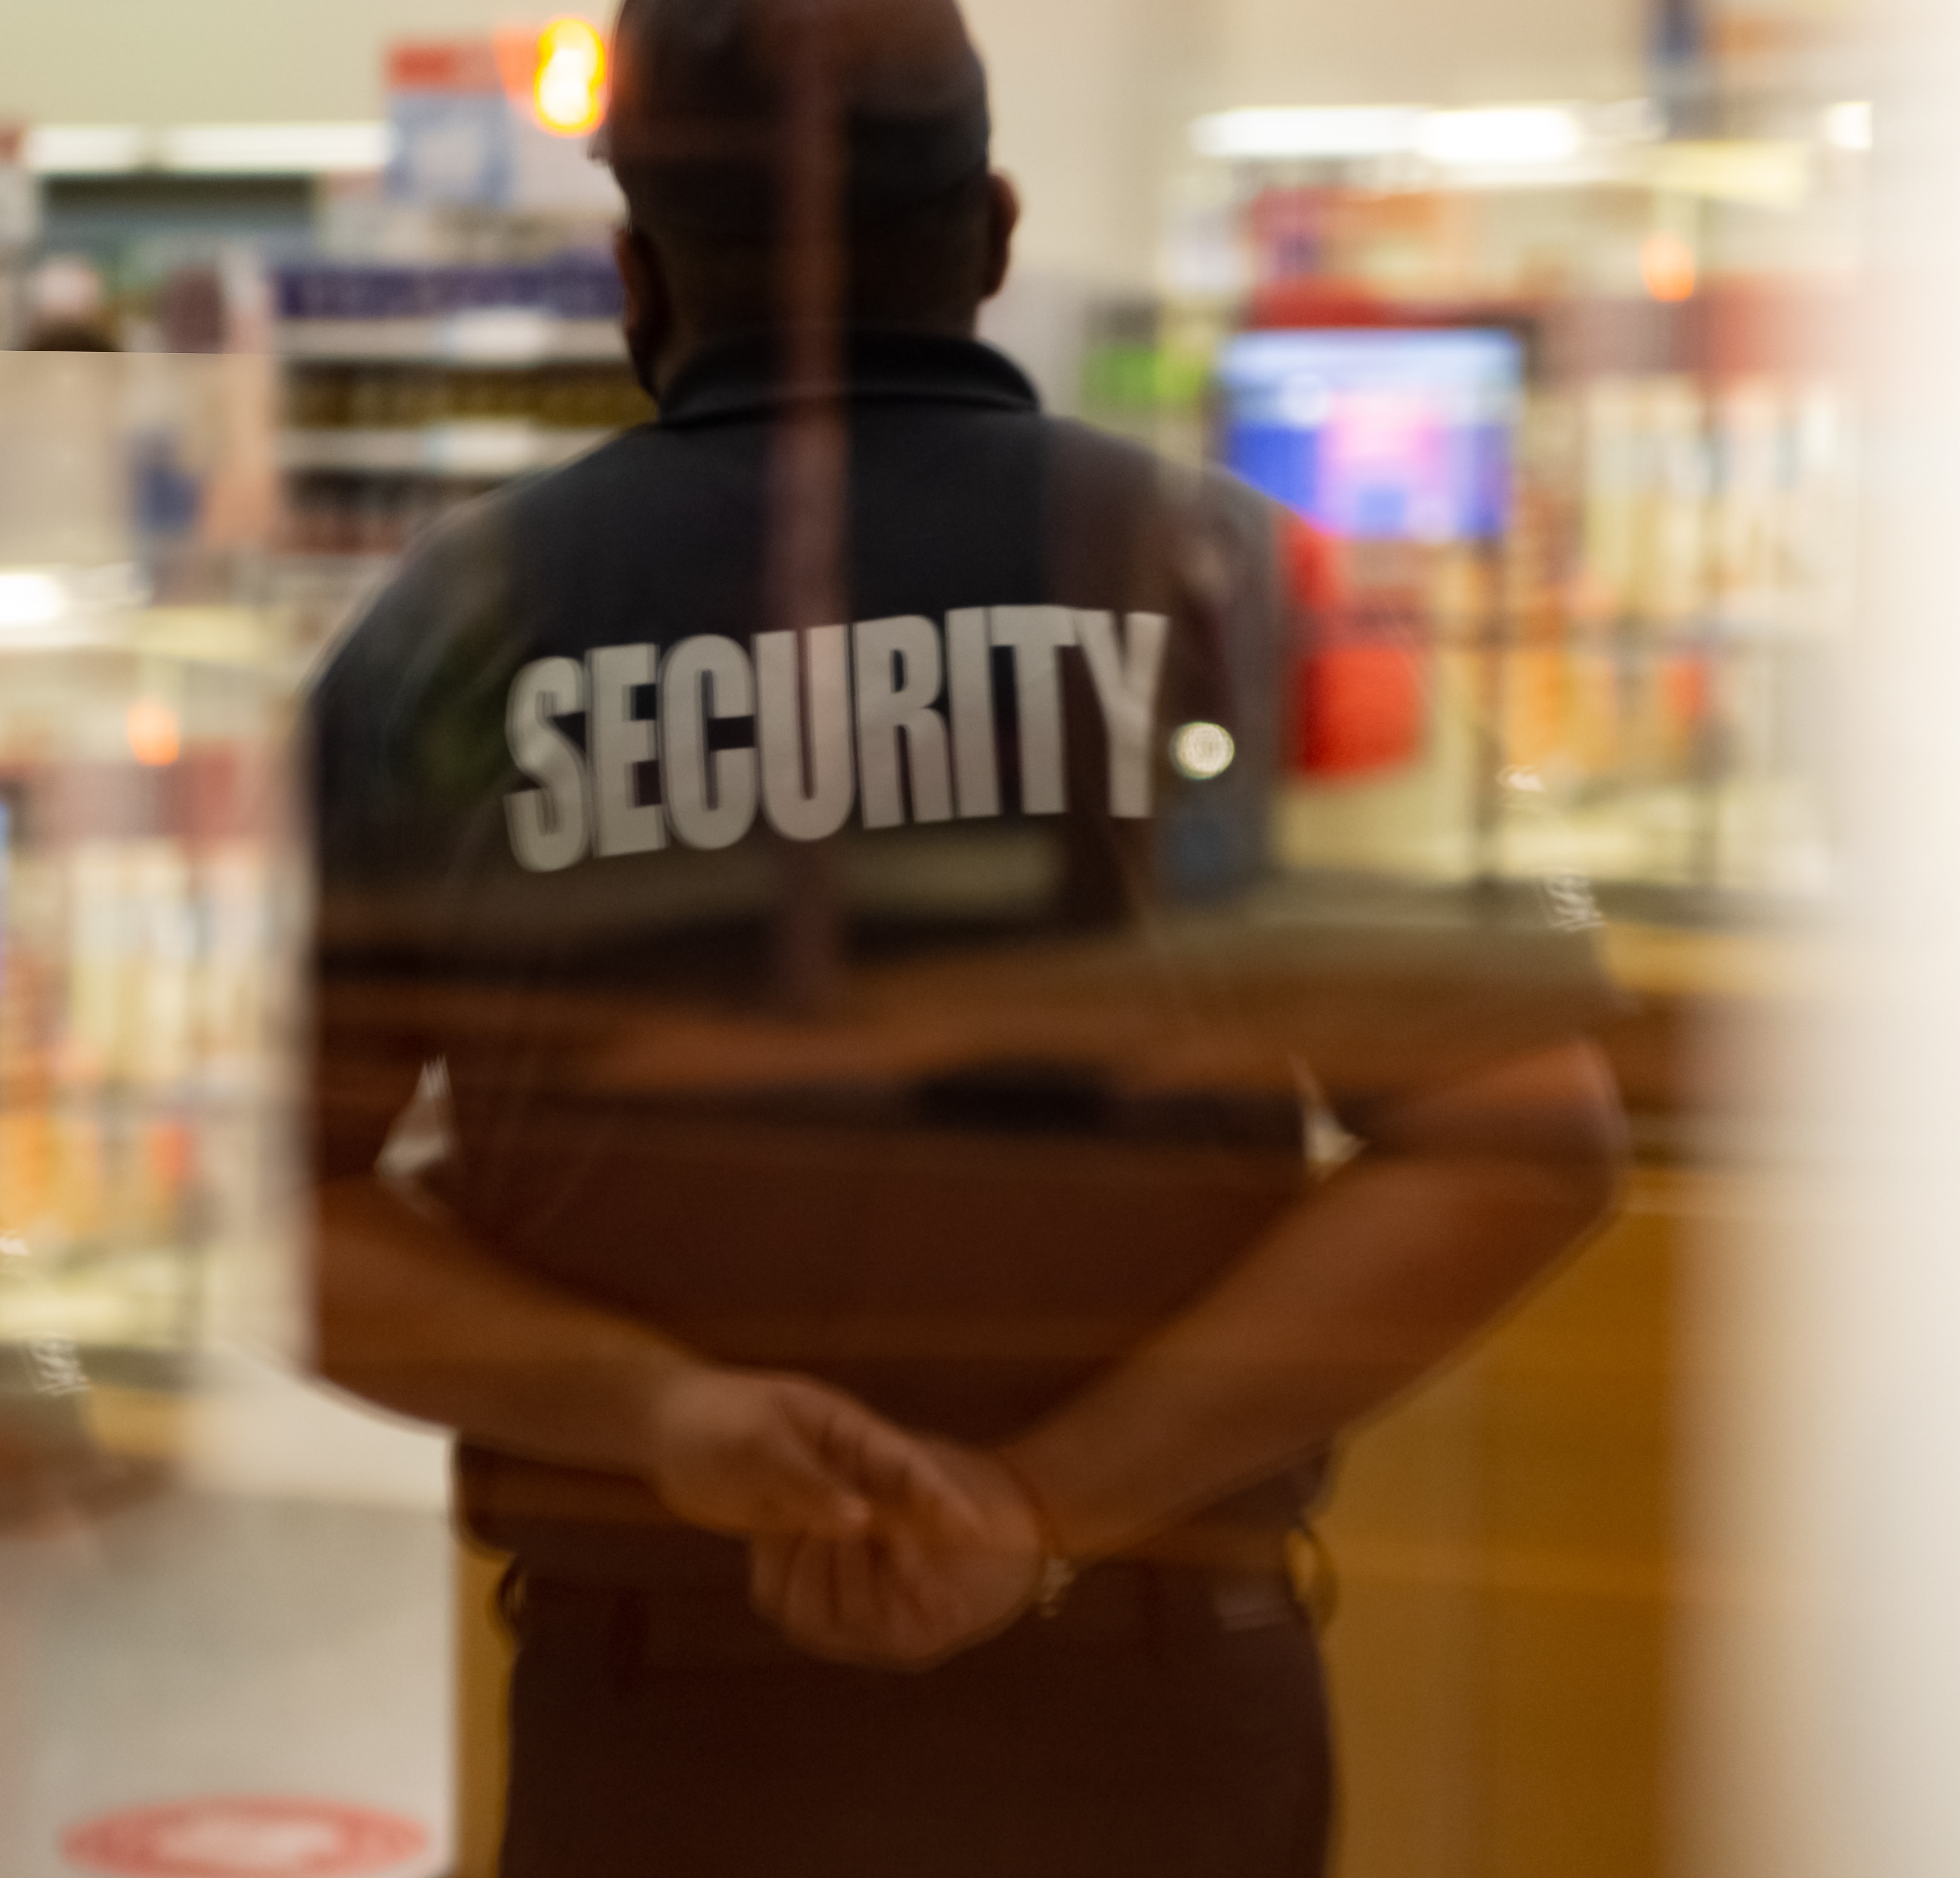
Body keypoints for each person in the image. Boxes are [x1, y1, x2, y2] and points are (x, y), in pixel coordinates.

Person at [305, 0, 1626, 1872]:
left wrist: (666, 1415)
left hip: (667, 1728)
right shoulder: (1254, 588)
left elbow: (247, 1202)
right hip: (1151, 1712)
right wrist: (1039, 1508)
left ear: (634, 273)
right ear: (992, 233)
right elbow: (1524, 1132)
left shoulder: (454, 631)